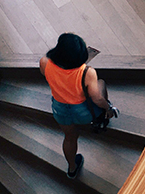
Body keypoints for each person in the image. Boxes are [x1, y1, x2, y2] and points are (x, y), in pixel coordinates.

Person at [39, 33, 113, 179]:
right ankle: (105, 117)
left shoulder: (44, 62)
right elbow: (97, 98)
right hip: (82, 111)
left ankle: (72, 168)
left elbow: (54, 76)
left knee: (69, 137)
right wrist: (108, 108)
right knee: (101, 84)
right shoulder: (88, 73)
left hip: (60, 110)